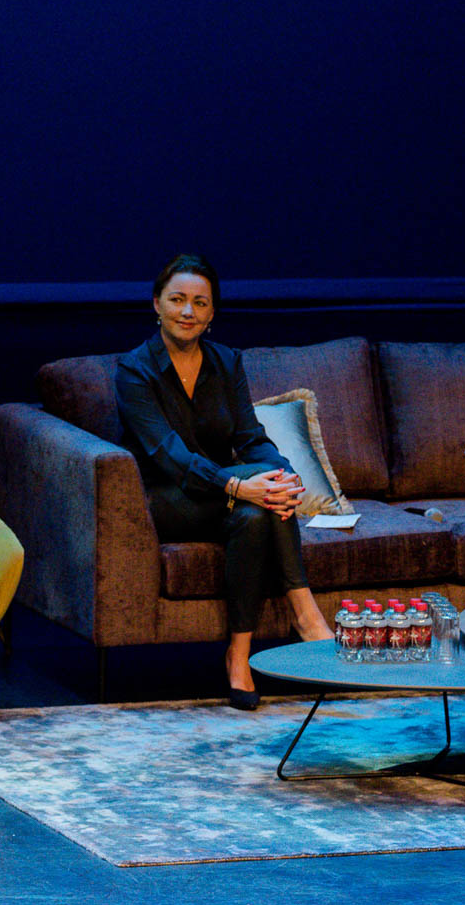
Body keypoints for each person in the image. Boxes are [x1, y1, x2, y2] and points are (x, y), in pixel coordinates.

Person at [114, 253, 334, 710]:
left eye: (200, 303)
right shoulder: (134, 370)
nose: (187, 311)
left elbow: (251, 438)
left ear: (212, 312)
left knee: (256, 515)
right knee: (257, 496)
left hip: (224, 499)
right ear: (157, 304)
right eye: (177, 299)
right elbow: (168, 456)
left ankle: (238, 655)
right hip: (167, 498)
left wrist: (284, 475)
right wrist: (238, 485)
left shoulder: (226, 362)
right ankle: (305, 612)